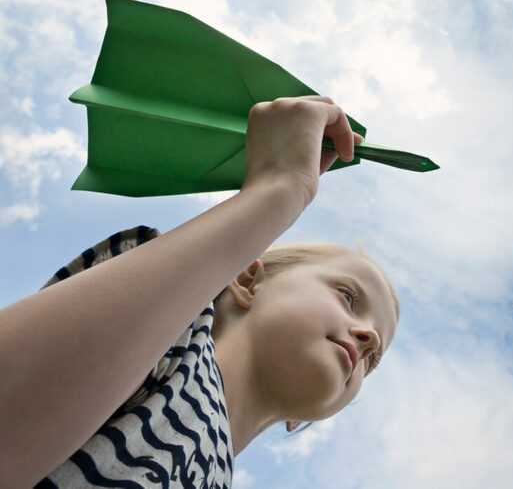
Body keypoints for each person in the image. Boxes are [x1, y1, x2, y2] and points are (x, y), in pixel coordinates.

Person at [0, 96, 399, 487]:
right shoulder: (168, 324)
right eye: (348, 297)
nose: (370, 338)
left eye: (374, 360)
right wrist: (279, 189)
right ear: (247, 280)